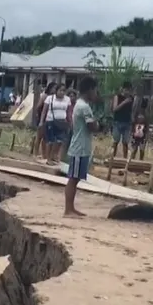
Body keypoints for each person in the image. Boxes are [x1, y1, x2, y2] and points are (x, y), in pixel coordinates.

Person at [65, 76, 99, 218]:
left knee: (76, 178)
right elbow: (92, 126)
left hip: (80, 146)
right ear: (90, 89)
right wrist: (98, 124)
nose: (96, 93)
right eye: (95, 90)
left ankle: (71, 208)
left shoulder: (80, 104)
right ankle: (68, 209)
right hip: (79, 147)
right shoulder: (84, 107)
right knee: (73, 178)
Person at [40, 83, 71, 165]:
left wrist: (69, 122)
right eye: (60, 90)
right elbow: (44, 111)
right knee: (51, 141)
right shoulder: (50, 98)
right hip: (50, 121)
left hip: (62, 122)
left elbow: (68, 112)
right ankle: (48, 158)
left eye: (64, 91)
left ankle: (54, 155)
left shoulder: (67, 99)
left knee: (60, 140)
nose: (62, 92)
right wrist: (41, 121)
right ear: (56, 91)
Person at [34, 82, 57, 159]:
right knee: (39, 137)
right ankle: (35, 153)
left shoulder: (54, 98)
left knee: (45, 138)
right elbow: (38, 107)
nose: (55, 90)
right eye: (54, 88)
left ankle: (44, 154)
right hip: (42, 118)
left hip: (49, 119)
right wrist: (39, 116)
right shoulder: (45, 96)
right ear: (50, 88)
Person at [111, 82, 134, 158]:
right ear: (123, 89)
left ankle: (125, 159)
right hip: (117, 122)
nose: (127, 92)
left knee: (125, 142)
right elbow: (114, 109)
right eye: (126, 90)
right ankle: (112, 158)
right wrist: (124, 102)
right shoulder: (117, 97)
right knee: (115, 141)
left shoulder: (131, 98)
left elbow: (131, 110)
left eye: (129, 90)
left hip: (127, 122)